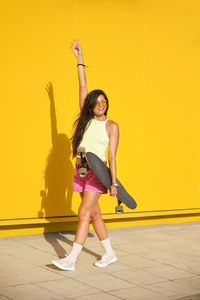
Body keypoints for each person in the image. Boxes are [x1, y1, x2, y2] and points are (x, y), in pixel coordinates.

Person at [52, 39, 119, 271]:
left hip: (98, 169)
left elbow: (112, 156)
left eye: (104, 101)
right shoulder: (87, 119)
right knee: (94, 214)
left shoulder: (112, 125)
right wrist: (80, 60)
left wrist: (114, 183)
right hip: (81, 164)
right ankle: (110, 254)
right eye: (97, 101)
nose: (101, 104)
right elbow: (82, 87)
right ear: (90, 105)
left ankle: (70, 260)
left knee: (83, 213)